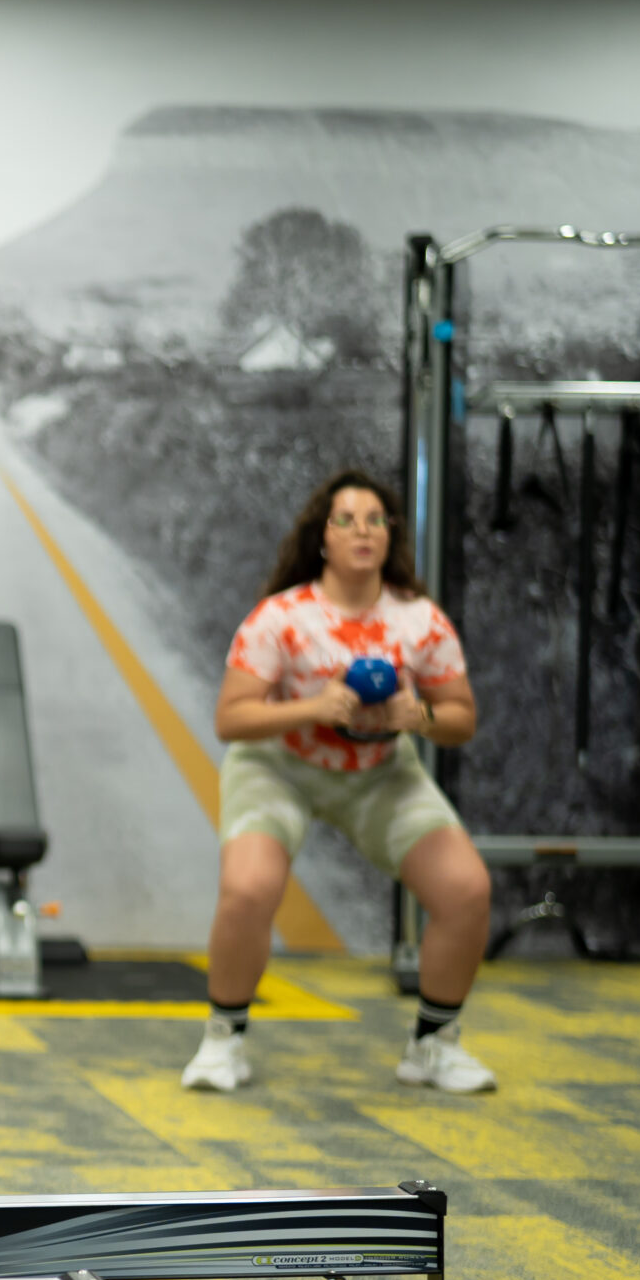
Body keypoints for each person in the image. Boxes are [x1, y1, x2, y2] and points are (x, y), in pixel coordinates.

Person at [182, 469, 495, 1096]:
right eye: (345, 519)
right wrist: (311, 709)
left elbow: (461, 720)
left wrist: (419, 717)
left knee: (466, 889)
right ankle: (222, 1040)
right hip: (279, 767)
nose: (362, 531)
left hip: (380, 774)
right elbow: (231, 720)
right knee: (248, 889)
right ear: (320, 538)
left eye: (375, 520)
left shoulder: (419, 622)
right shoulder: (281, 618)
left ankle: (433, 1045)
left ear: (390, 537)